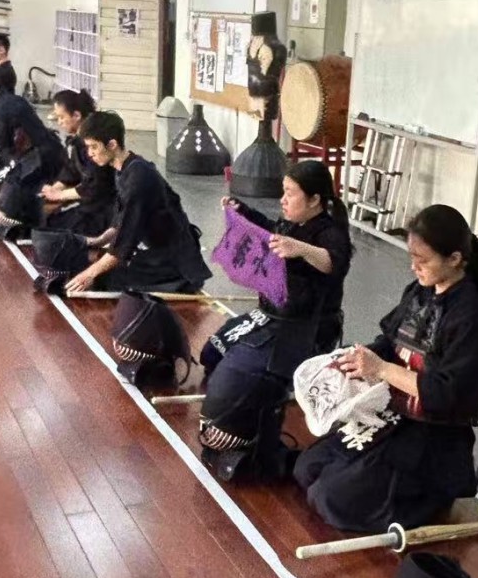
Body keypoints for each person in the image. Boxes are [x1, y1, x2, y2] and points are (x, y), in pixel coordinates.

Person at [294, 204, 478, 532]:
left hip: (430, 432)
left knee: (329, 497)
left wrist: (382, 369)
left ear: (455, 259)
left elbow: (444, 393)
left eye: (423, 260)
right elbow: (389, 341)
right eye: (412, 256)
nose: (414, 266)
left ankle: (435, 492)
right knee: (307, 470)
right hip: (393, 414)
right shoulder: (419, 292)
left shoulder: (472, 317)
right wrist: (356, 359)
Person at [198, 161, 352, 478]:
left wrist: (301, 249)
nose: (283, 199)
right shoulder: (290, 222)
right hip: (270, 316)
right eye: (283, 191)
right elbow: (268, 231)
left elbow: (335, 262)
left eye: (290, 193)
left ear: (315, 199)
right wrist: (243, 211)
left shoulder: (330, 232)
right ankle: (238, 405)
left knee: (262, 375)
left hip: (306, 328)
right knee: (212, 352)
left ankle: (265, 428)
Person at [65, 110, 210, 295]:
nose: (90, 154)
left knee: (100, 278)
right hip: (154, 252)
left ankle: (178, 285)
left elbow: (121, 248)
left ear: (112, 144)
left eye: (94, 147)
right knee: (88, 259)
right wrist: (98, 241)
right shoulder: (123, 169)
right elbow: (120, 222)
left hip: (173, 263)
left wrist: (87, 275)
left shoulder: (139, 179)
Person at [37, 90, 116, 238]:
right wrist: (55, 189)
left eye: (62, 117)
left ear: (77, 115)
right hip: (90, 206)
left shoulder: (93, 142)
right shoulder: (78, 141)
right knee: (44, 221)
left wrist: (60, 195)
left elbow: (94, 186)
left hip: (103, 211)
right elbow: (72, 170)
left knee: (46, 230)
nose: (59, 122)